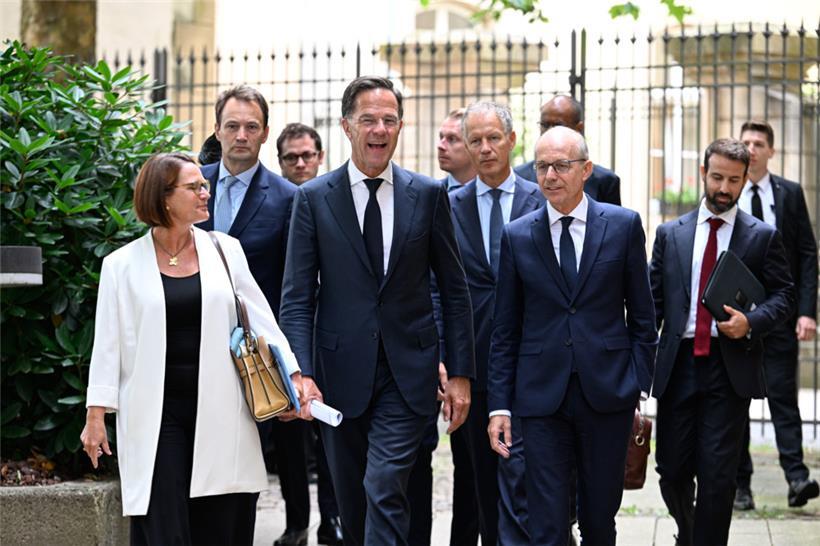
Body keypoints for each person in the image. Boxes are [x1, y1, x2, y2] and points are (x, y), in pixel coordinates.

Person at [279, 75, 476, 546]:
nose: (380, 129)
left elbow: (454, 289)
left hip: (409, 375)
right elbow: (298, 296)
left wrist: (463, 373)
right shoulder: (312, 199)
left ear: (401, 127)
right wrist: (301, 372)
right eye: (369, 119)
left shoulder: (428, 195)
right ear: (347, 127)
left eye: (389, 120)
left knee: (384, 483)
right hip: (337, 376)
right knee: (352, 501)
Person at [80, 152, 304, 545]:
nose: (207, 192)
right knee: (165, 526)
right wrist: (96, 414)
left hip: (222, 409)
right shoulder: (121, 265)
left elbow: (263, 321)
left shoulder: (225, 249)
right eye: (194, 187)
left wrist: (295, 377)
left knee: (220, 522)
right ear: (164, 197)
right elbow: (108, 344)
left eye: (205, 185)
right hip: (156, 414)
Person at [488, 126, 656, 545]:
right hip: (541, 398)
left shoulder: (622, 226)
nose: (550, 176)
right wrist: (499, 407)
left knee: (599, 520)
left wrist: (637, 382)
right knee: (546, 523)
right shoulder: (518, 234)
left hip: (607, 393)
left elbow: (643, 316)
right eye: (542, 166)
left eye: (562, 166)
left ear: (586, 169)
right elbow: (505, 329)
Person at [649, 138, 794, 545]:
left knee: (717, 475)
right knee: (672, 469)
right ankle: (691, 533)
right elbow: (652, 302)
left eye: (733, 180)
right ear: (703, 174)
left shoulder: (761, 237)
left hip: (727, 368)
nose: (724, 188)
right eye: (717, 178)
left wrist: (751, 321)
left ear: (745, 180)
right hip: (678, 365)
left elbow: (784, 295)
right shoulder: (669, 234)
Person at [196, 86, 309, 546]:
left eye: (251, 127)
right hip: (197, 337)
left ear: (264, 134)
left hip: (261, 342)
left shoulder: (287, 198)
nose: (241, 135)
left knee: (281, 439)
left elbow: (294, 280)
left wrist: (288, 351)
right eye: (232, 125)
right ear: (218, 129)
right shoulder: (190, 183)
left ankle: (298, 522)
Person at [444, 100, 544, 546]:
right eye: (475, 140)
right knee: (480, 479)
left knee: (533, 478)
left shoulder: (542, 199)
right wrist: (450, 362)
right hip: (475, 365)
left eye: (493, 138)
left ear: (511, 141)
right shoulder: (447, 206)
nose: (485, 148)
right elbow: (437, 289)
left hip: (537, 362)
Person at [733, 120, 819, 510]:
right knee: (735, 403)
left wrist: (806, 312)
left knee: (784, 399)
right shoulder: (728, 191)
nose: (751, 148)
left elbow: (806, 254)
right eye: (746, 142)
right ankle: (740, 486)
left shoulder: (789, 193)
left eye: (758, 143)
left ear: (771, 151)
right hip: (737, 315)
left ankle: (797, 478)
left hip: (781, 314)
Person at [407, 107, 479, 546]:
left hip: (478, 349)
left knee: (473, 466)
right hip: (426, 349)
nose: (442, 145)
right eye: (441, 137)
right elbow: (427, 285)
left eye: (453, 139)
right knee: (420, 458)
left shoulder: (504, 201)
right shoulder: (428, 197)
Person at [274, 121, 344, 546]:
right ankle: (296, 520)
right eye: (291, 157)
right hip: (284, 334)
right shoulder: (277, 202)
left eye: (307, 155)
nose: (301, 163)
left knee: (332, 434)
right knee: (289, 438)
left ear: (320, 156)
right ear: (280, 162)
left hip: (333, 334)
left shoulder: (335, 200)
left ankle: (332, 520)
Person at [515, 95, 620, 206]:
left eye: (558, 125)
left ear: (579, 128)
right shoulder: (520, 177)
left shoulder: (605, 181)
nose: (550, 131)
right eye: (545, 125)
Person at [437, 108, 477, 191]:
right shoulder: (432, 194)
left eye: (452, 139)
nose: (440, 146)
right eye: (441, 137)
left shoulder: (493, 194)